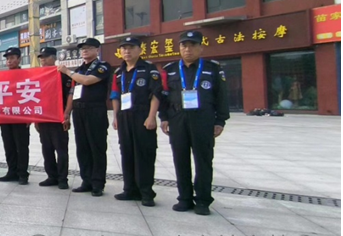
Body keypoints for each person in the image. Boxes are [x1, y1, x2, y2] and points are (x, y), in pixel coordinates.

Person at [160, 31, 230, 216]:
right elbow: (163, 96)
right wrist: (164, 118)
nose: (188, 49)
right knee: (180, 159)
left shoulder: (213, 69)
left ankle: (203, 201)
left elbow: (221, 96)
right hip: (178, 119)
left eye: (192, 45)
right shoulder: (170, 69)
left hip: (203, 119)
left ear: (200, 47)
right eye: (184, 45)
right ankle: (184, 198)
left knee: (203, 160)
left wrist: (220, 120)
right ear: (179, 48)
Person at [111, 37, 162, 207]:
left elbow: (155, 94)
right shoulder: (119, 72)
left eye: (131, 48)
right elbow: (115, 96)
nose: (127, 51)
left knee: (144, 154)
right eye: (124, 48)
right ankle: (129, 189)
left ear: (139, 50)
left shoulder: (149, 69)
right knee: (127, 153)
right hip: (124, 117)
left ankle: (146, 192)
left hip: (142, 115)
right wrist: (116, 116)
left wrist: (152, 116)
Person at [58, 38, 111, 197]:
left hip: (95, 110)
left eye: (88, 48)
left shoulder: (103, 67)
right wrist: (67, 112)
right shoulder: (80, 69)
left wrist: (68, 72)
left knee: (97, 147)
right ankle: (86, 180)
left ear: (97, 50)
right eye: (82, 49)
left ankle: (97, 183)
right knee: (82, 147)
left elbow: (88, 81)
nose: (85, 51)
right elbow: (72, 93)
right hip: (79, 111)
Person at [35, 47, 73, 189]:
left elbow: (70, 94)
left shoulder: (62, 74)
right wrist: (36, 118)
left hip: (59, 118)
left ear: (53, 57)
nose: (43, 60)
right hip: (44, 117)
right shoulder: (38, 75)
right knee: (47, 149)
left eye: (45, 57)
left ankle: (63, 179)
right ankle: (52, 176)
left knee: (61, 149)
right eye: (41, 57)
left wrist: (67, 114)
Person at [0, 47, 32, 185]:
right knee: (9, 145)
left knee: (21, 146)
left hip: (21, 116)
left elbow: (32, 96)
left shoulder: (26, 75)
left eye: (12, 58)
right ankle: (12, 171)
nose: (9, 61)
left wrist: (30, 117)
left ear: (19, 59)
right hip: (6, 116)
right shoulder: (2, 76)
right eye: (7, 58)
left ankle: (23, 173)